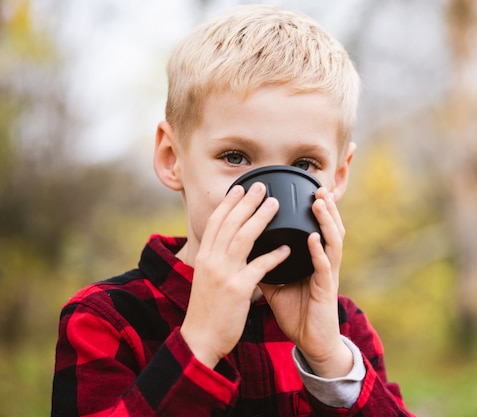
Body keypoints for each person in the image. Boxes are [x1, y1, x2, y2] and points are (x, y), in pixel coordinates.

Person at [51, 4, 415, 417]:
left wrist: (330, 361)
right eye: (236, 157)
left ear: (338, 176)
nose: (268, 197)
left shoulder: (344, 327)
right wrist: (198, 345)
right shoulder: (107, 321)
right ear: (173, 158)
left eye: (303, 166)